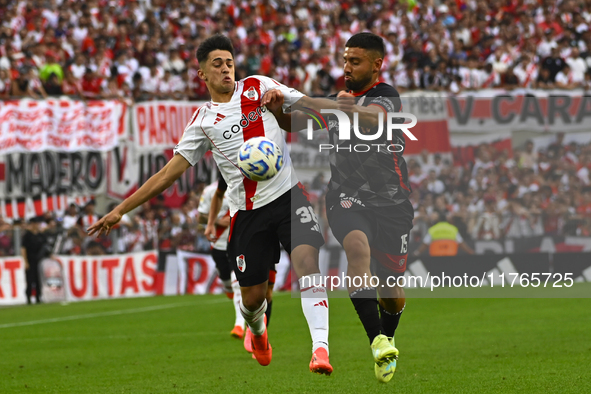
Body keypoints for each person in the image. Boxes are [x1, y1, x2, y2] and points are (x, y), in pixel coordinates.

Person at [88, 34, 332, 374]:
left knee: (308, 264)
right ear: (202, 74)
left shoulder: (259, 87)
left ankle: (320, 349)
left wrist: (340, 108)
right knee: (252, 300)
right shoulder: (202, 121)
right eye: (217, 64)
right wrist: (119, 210)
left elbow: (306, 107)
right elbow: (166, 176)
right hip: (246, 214)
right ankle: (258, 332)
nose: (226, 69)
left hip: (289, 196)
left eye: (230, 63)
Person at [262, 32, 412, 383]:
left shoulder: (386, 96)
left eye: (355, 61)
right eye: (345, 59)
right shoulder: (335, 101)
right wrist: (276, 107)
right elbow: (294, 122)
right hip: (346, 197)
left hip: (392, 203)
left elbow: (373, 119)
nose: (347, 67)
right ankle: (376, 341)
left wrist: (333, 105)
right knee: (356, 251)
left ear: (377, 65)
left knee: (391, 293)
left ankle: (388, 334)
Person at [204, 175, 279, 358]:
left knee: (267, 293)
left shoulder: (273, 165)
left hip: (268, 233)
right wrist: (211, 223)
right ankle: (249, 329)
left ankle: (258, 336)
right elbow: (219, 194)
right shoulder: (232, 165)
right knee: (247, 291)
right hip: (242, 236)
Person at [21, 217, 48, 304]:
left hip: (39, 260)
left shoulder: (41, 235)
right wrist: (25, 261)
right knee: (30, 279)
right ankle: (28, 297)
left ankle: (38, 297)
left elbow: (45, 247)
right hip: (30, 259)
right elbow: (23, 249)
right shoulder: (27, 235)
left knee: (38, 279)